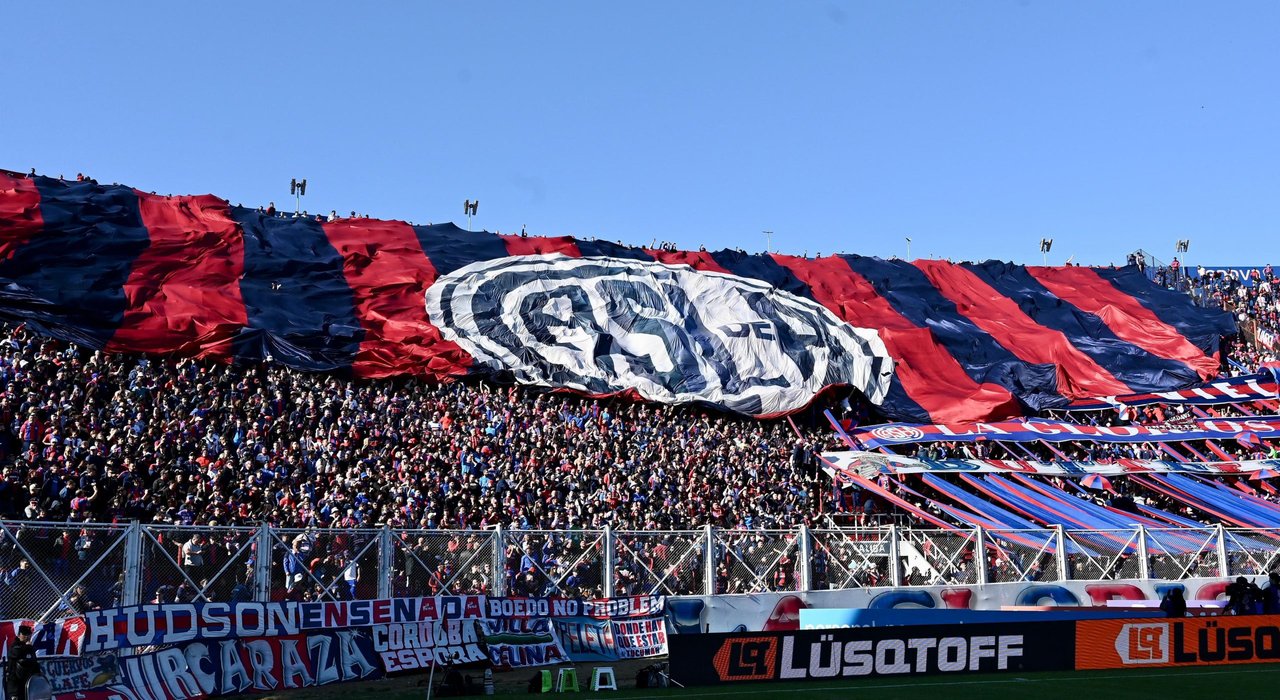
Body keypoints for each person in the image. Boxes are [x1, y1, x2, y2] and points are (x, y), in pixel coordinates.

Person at [4, 624, 41, 700]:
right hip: (15, 685)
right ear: (19, 635)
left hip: (28, 683)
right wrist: (27, 647)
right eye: (24, 634)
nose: (27, 637)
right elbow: (16, 653)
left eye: (28, 634)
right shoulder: (15, 645)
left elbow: (34, 662)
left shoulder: (30, 648)